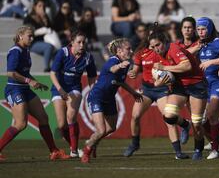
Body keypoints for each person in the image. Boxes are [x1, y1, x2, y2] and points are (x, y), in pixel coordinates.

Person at [0, 26, 70, 161]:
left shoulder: (26, 50)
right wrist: (29, 81)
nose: (32, 38)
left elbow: (24, 72)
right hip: (14, 89)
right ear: (20, 36)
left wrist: (35, 82)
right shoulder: (15, 51)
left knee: (43, 118)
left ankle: (54, 151)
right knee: (20, 124)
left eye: (33, 36)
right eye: (29, 36)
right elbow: (11, 73)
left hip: (25, 89)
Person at [123, 25, 191, 159]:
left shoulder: (165, 51)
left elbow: (173, 67)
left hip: (162, 89)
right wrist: (132, 72)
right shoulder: (141, 52)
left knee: (168, 119)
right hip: (147, 89)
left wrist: (163, 78)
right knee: (135, 116)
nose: (155, 45)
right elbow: (136, 70)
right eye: (150, 35)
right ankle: (135, 144)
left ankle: (178, 151)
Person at [152, 18, 208, 160]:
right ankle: (185, 124)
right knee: (169, 115)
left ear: (163, 42)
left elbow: (187, 66)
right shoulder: (157, 55)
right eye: (152, 47)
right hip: (179, 86)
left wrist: (164, 68)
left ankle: (198, 150)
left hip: (196, 83)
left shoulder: (173, 48)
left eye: (157, 45)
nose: (155, 49)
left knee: (197, 122)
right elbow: (159, 78)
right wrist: (158, 83)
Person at [81, 38, 143, 163]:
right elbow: (113, 69)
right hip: (97, 97)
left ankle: (93, 143)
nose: (131, 51)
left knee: (111, 128)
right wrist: (120, 65)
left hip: (109, 99)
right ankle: (86, 151)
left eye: (131, 49)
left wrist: (133, 93)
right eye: (128, 49)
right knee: (101, 130)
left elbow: (120, 82)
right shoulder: (113, 60)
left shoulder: (125, 64)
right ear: (119, 51)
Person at [50, 30, 97, 158]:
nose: (82, 45)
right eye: (79, 42)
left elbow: (92, 77)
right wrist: (60, 89)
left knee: (71, 116)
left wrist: (92, 92)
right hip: (58, 88)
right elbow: (52, 73)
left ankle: (74, 151)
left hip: (74, 88)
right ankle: (73, 145)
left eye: (84, 42)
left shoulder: (87, 57)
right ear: (72, 43)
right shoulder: (63, 53)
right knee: (61, 124)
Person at [191, 17, 219, 160]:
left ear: (210, 29)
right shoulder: (199, 44)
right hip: (205, 85)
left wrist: (211, 62)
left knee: (213, 114)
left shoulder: (216, 42)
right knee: (200, 121)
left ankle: (215, 149)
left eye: (203, 29)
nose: (201, 32)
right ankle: (216, 143)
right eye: (199, 30)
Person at [23, 0, 56, 72]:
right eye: (39, 6)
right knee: (49, 47)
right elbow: (29, 32)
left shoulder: (45, 17)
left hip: (44, 41)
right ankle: (47, 68)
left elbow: (51, 29)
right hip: (32, 43)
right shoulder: (29, 18)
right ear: (34, 7)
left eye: (43, 6)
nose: (42, 8)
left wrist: (45, 20)